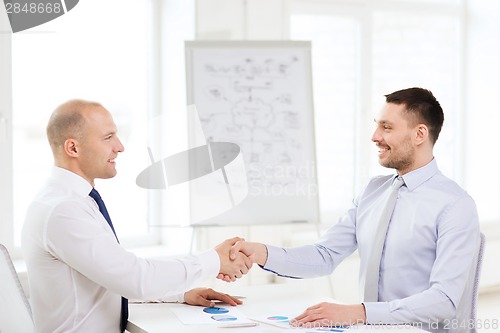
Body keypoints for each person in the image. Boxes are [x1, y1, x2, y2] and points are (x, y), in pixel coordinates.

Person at [226, 87, 480, 332]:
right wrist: (261, 253)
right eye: (377, 125)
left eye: (386, 127)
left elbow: (444, 301)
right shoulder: (374, 191)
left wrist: (359, 313)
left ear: (419, 134)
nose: (375, 136)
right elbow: (324, 256)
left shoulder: (455, 206)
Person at [21, 99, 251, 333]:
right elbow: (134, 278)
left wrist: (180, 293)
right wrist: (214, 260)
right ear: (73, 148)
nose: (120, 147)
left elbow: (112, 277)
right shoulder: (64, 210)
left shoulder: (73, 200)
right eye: (108, 137)